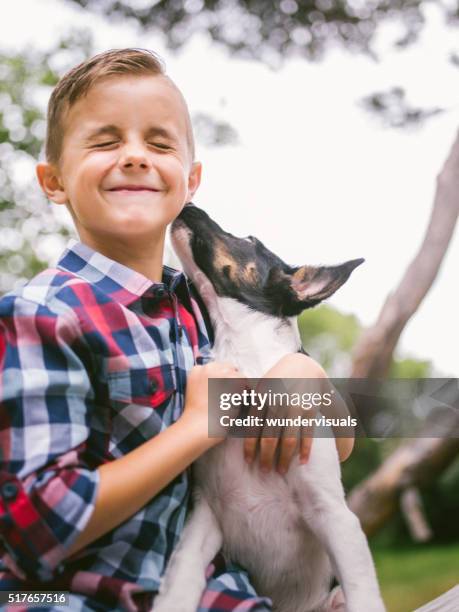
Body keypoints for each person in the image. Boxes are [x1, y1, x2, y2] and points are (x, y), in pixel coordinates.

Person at [0, 48, 353, 611]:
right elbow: (39, 525)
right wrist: (194, 429)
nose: (136, 156)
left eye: (159, 143)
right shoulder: (40, 315)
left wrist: (305, 374)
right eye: (105, 141)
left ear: (189, 180)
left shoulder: (202, 308)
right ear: (54, 180)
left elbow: (341, 443)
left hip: (203, 588)